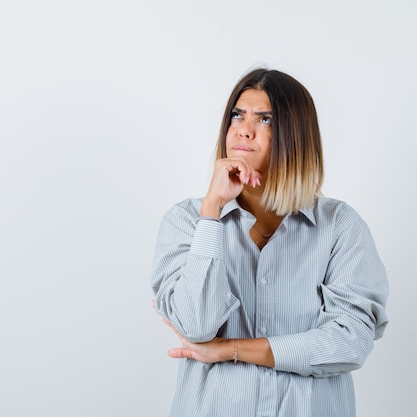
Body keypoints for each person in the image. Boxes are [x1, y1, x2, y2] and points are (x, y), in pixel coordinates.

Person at [150, 68, 389, 417]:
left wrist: (232, 349)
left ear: (296, 136)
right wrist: (212, 212)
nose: (244, 129)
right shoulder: (188, 221)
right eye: (237, 115)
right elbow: (195, 326)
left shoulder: (340, 226)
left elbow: (349, 342)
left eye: (265, 119)